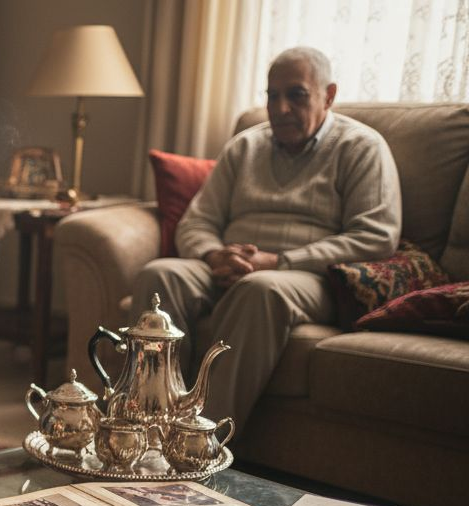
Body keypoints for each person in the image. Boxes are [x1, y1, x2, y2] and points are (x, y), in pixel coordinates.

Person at [132, 47, 400, 427]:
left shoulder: (361, 148)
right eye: (272, 95)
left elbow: (377, 236)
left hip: (308, 275)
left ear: (329, 95)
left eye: (296, 95)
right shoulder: (245, 146)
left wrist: (279, 261)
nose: (281, 108)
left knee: (261, 290)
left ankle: (200, 440)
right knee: (159, 275)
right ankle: (143, 424)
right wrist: (213, 255)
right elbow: (196, 222)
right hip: (228, 267)